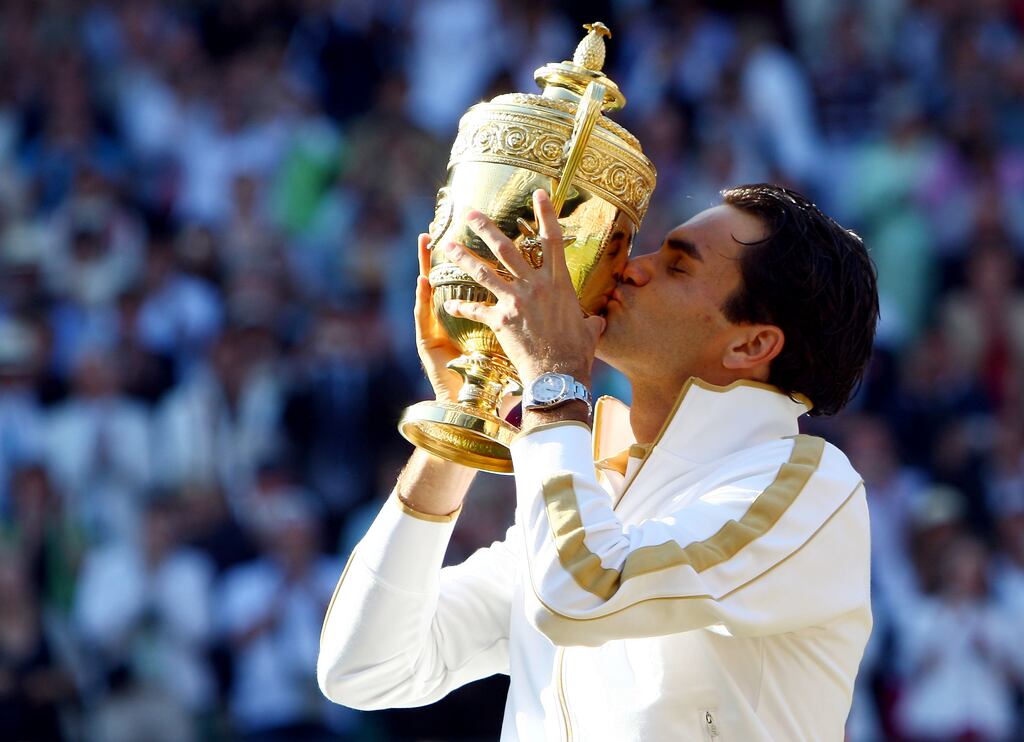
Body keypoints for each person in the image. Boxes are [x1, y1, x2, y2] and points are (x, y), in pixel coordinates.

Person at [318, 184, 879, 740]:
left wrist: (553, 380)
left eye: (678, 267)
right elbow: (365, 669)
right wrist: (470, 410)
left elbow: (583, 591)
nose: (633, 269)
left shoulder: (812, 489)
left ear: (751, 346)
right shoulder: (592, 484)